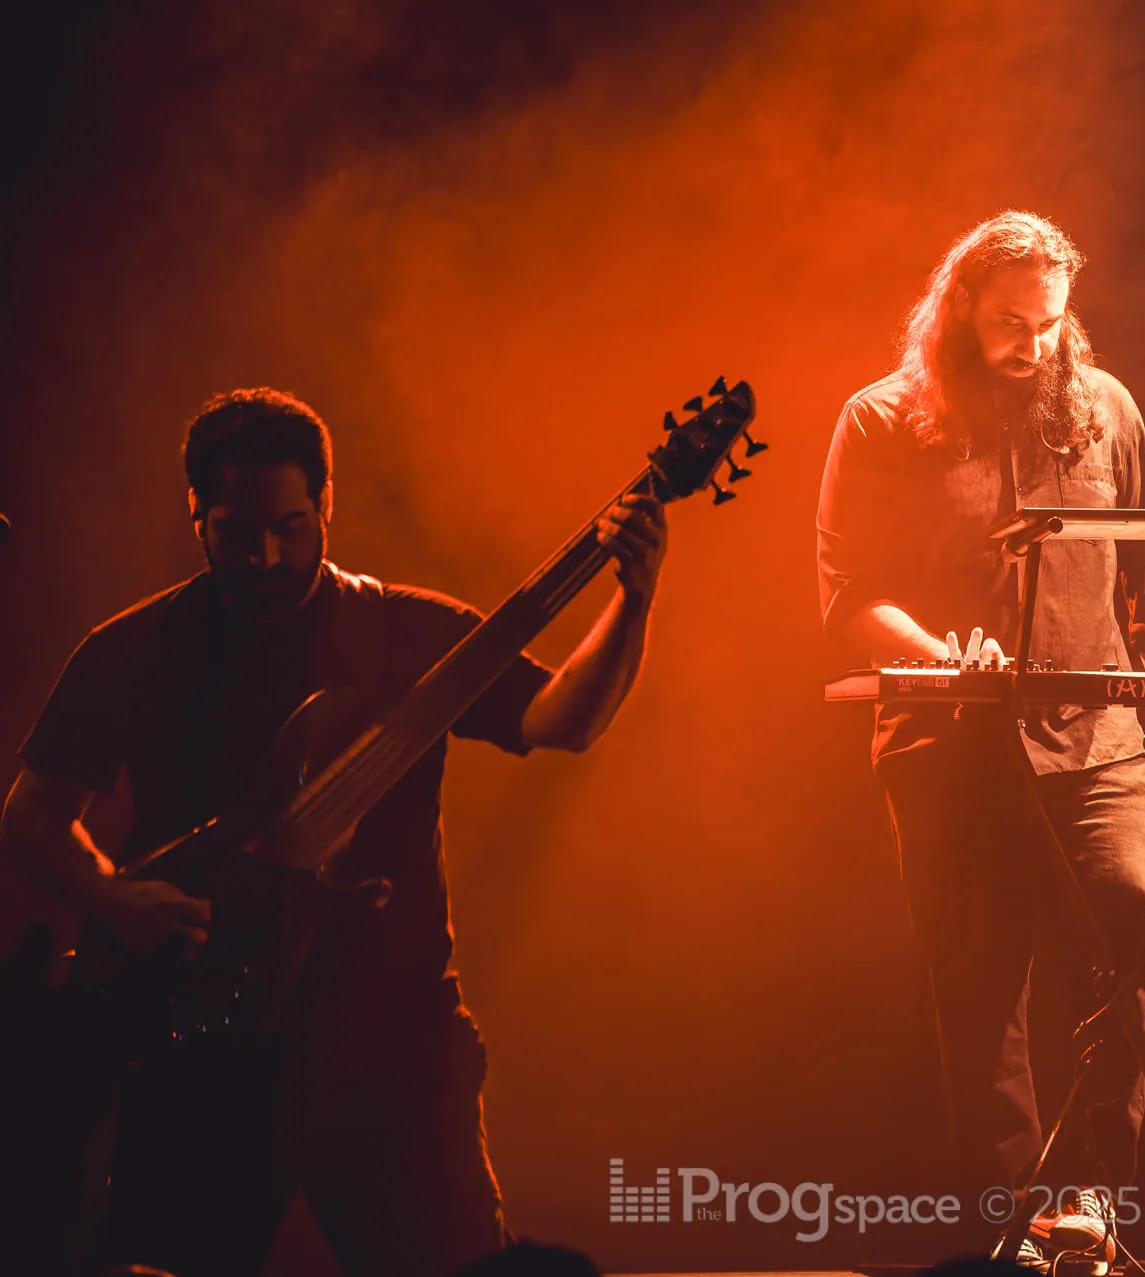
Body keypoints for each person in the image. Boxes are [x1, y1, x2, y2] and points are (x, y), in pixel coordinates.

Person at [2, 387, 667, 1277]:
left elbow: (563, 719)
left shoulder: (406, 629)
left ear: (326, 505)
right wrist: (117, 903)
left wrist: (632, 599)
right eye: (236, 533)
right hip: (202, 1044)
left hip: (388, 1044)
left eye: (291, 527)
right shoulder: (135, 646)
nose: (267, 557)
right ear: (195, 512)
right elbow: (33, 816)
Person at [816, 211, 1145, 1270]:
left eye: (1049, 322)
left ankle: (1091, 1203)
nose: (1032, 343)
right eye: (1009, 323)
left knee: (1121, 929)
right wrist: (940, 655)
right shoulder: (881, 420)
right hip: (950, 751)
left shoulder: (1106, 409)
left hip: (1099, 743)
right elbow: (848, 594)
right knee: (979, 989)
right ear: (959, 310)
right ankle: (1012, 1223)